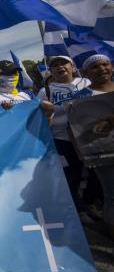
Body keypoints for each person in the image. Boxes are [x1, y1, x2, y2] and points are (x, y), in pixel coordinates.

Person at [37, 55, 89, 214]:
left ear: (73, 67)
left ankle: (91, 202)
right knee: (71, 175)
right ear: (51, 72)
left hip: (89, 137)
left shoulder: (86, 83)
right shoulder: (45, 91)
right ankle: (78, 210)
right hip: (61, 140)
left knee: (94, 174)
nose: (60, 67)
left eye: (64, 63)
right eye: (55, 66)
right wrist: (48, 114)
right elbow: (40, 120)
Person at [74, 53, 114, 240]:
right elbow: (73, 127)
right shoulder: (82, 97)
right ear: (85, 73)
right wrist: (81, 151)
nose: (102, 69)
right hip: (102, 155)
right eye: (95, 67)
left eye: (105, 65)